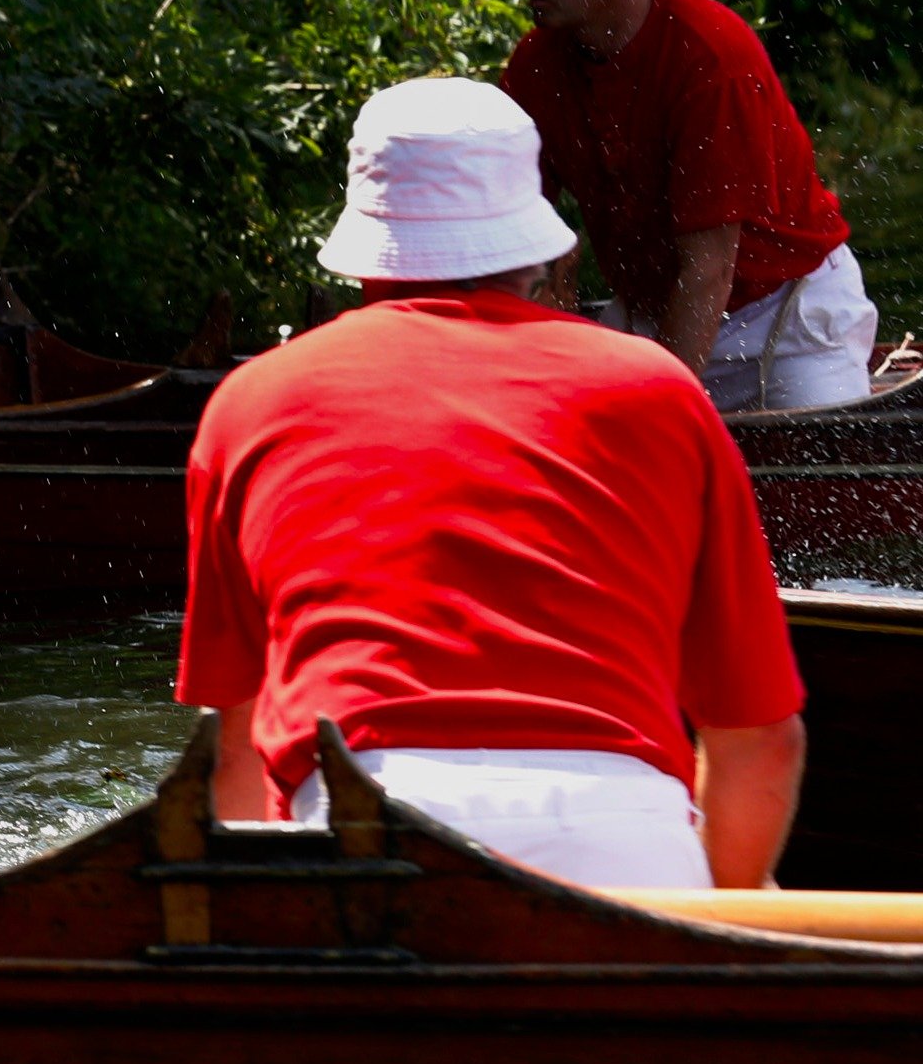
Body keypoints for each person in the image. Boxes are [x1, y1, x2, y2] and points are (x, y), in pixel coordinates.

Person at [177, 76, 806, 889]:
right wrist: (721, 928)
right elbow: (762, 742)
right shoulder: (659, 390)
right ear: (541, 252)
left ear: (366, 252)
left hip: (358, 831)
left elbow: (236, 754)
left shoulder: (251, 402)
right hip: (617, 837)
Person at [498, 0, 876, 412]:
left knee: (820, 467)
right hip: (653, 314)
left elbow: (709, 269)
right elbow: (528, 243)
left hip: (788, 318)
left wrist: (661, 418)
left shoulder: (711, 59)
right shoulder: (535, 67)